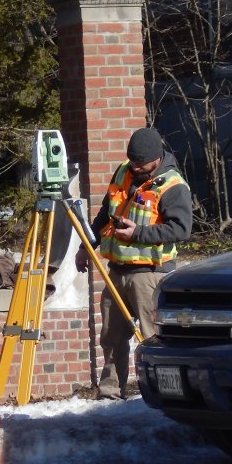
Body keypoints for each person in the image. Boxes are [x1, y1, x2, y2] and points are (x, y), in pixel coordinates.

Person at [75, 126, 192, 399]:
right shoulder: (123, 172)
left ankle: (162, 395)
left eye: (141, 163)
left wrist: (138, 233)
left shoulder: (173, 186)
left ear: (157, 158)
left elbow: (181, 229)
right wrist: (86, 246)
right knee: (112, 338)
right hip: (117, 271)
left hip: (149, 275)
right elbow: (105, 214)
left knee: (154, 339)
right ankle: (110, 394)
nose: (136, 167)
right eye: (133, 161)